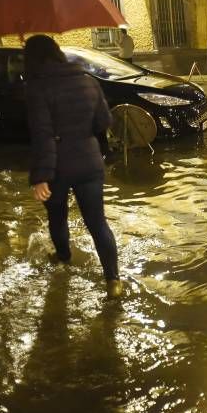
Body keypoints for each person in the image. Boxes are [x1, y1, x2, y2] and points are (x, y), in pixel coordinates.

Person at [25, 35, 123, 299]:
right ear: (57, 53)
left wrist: (41, 176)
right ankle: (113, 280)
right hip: (90, 163)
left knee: (57, 217)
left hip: (57, 168)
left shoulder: (37, 89)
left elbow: (43, 135)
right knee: (97, 223)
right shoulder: (87, 81)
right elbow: (104, 121)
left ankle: (63, 257)